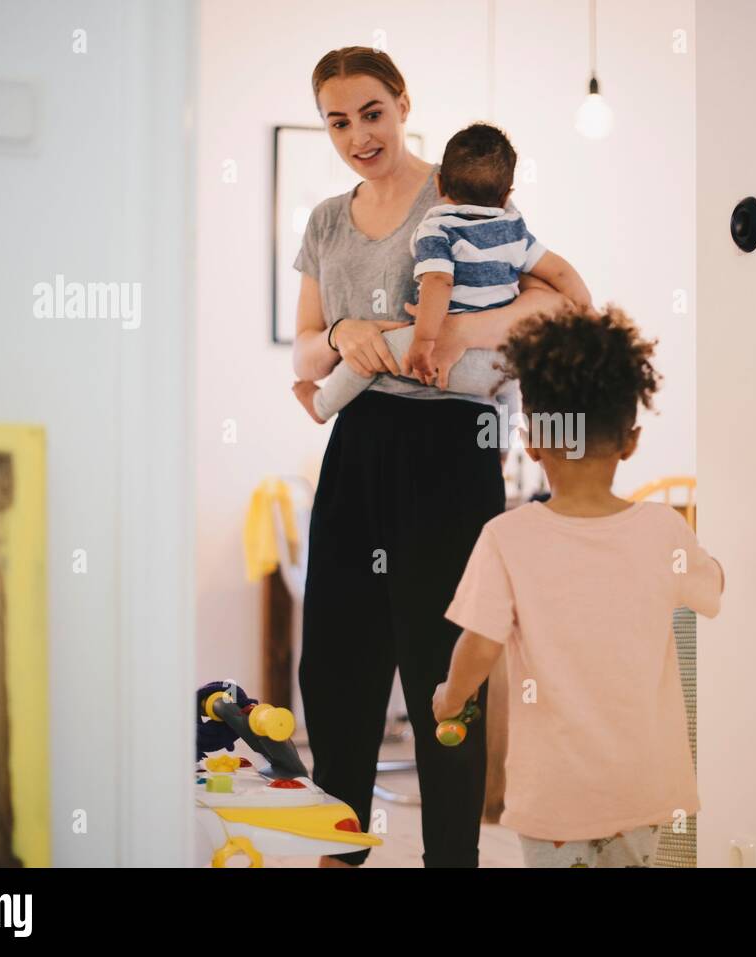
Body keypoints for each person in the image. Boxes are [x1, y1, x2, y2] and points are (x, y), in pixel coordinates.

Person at [290, 45, 568, 868]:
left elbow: (549, 297)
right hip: (357, 447)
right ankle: (341, 850)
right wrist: (345, 333)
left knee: (446, 672)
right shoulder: (325, 222)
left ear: (402, 104)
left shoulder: (459, 191)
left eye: (371, 113)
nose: (357, 136)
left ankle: (452, 856)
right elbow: (304, 354)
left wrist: (436, 333)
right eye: (338, 121)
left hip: (453, 446)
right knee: (335, 665)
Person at [433, 306, 725, 868]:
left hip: (556, 797)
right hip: (642, 789)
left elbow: (480, 646)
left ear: (532, 441)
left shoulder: (507, 538)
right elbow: (712, 589)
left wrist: (451, 696)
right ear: (631, 441)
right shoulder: (665, 530)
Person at [293, 121, 590, 424]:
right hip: (493, 369)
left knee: (373, 353)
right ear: (506, 195)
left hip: (437, 362)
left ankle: (320, 404)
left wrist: (424, 340)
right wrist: (586, 308)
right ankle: (501, 444)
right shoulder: (514, 230)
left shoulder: (437, 227)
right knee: (510, 387)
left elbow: (438, 280)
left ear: (439, 185)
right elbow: (560, 273)